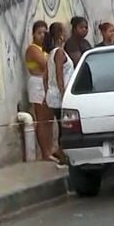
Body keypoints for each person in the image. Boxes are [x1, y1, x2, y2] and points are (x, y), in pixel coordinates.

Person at [25, 21, 54, 161]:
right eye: (39, 33)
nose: (42, 36)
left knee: (49, 120)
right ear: (33, 34)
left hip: (46, 83)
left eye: (44, 33)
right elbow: (45, 64)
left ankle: (50, 149)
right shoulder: (33, 48)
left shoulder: (45, 48)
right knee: (42, 120)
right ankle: (45, 152)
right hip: (37, 83)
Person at [45, 22, 73, 163]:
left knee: (62, 126)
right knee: (64, 128)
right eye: (65, 31)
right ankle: (62, 156)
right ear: (61, 35)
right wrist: (64, 95)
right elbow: (59, 75)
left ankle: (61, 153)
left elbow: (46, 76)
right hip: (59, 95)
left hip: (53, 94)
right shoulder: (59, 52)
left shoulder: (52, 53)